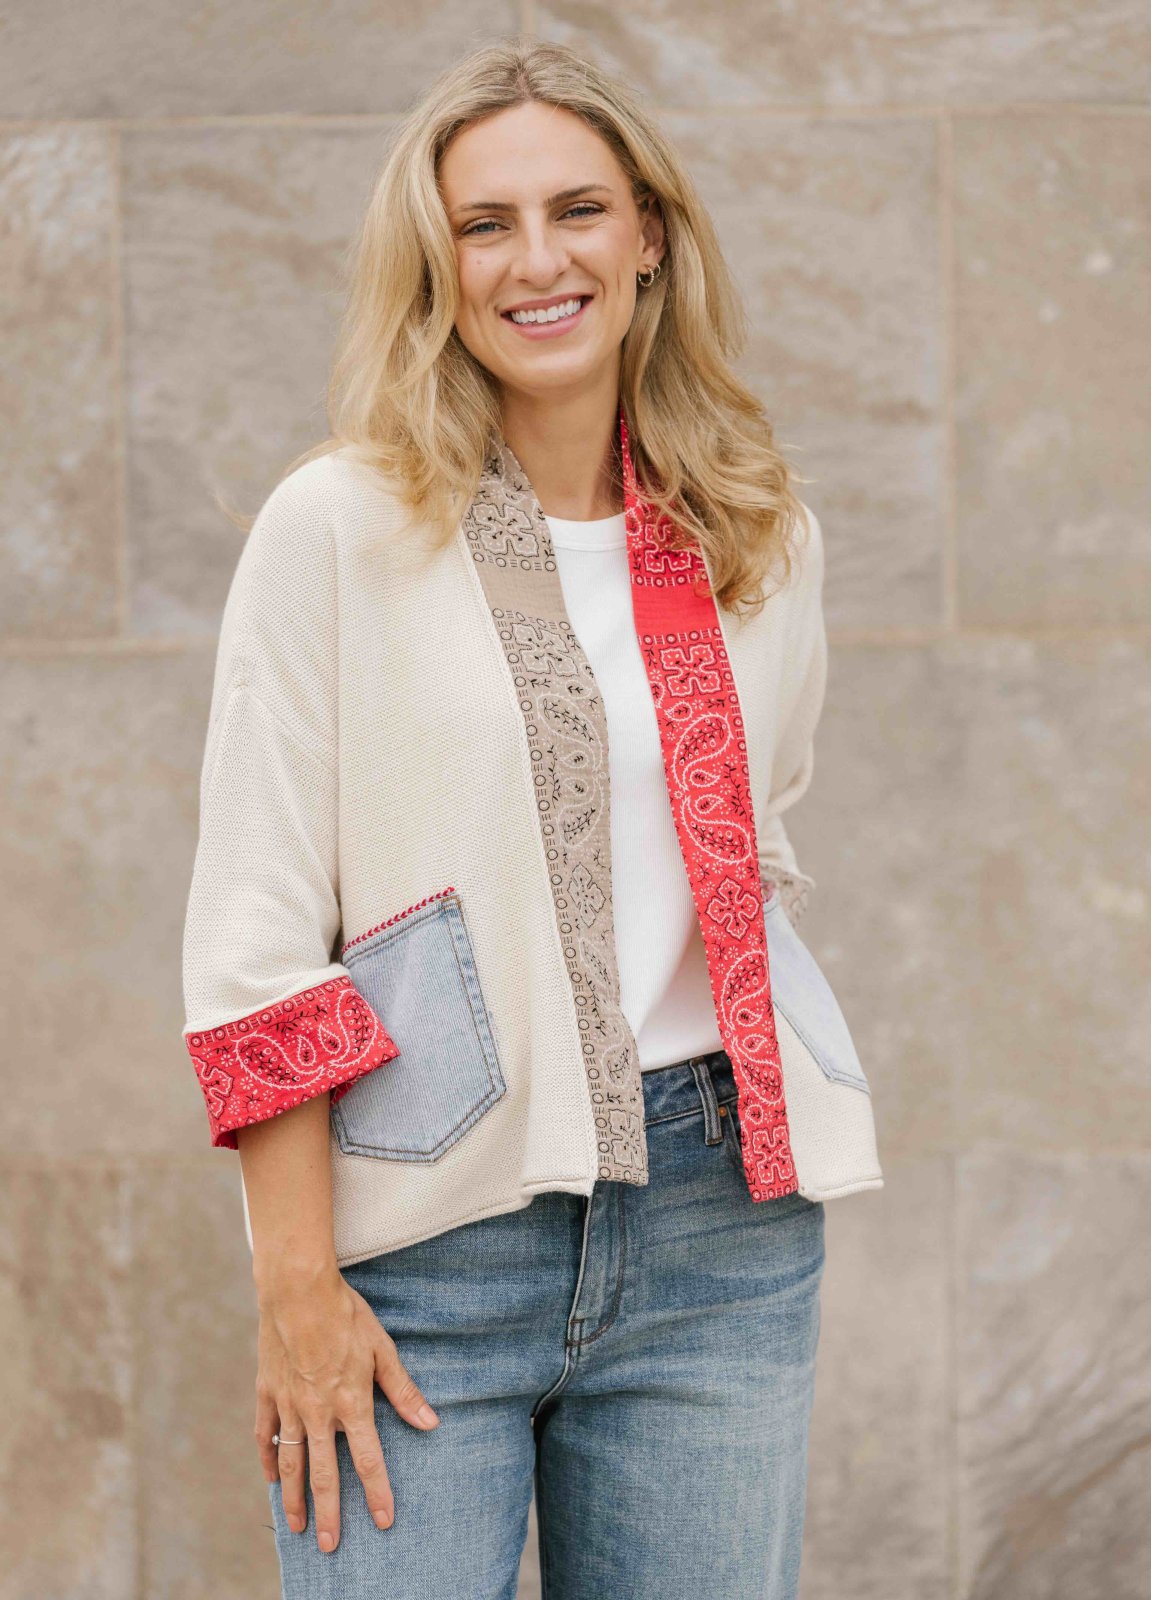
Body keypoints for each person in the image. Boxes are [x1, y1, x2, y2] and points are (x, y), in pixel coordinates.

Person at [179, 35, 883, 1600]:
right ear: (435, 266)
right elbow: (252, 931)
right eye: (483, 225)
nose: (536, 261)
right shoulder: (341, 527)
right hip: (421, 1245)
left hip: (717, 1236)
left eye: (577, 210)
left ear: (649, 235)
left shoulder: (758, 533)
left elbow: (757, 840)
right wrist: (297, 1285)